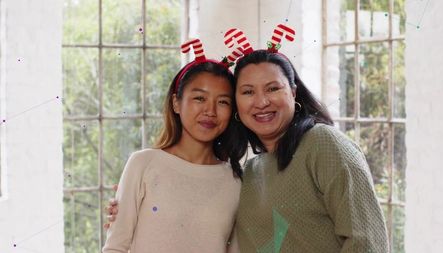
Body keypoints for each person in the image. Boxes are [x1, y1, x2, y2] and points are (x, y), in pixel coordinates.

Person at [107, 25, 389, 252]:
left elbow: (367, 242)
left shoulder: (323, 145)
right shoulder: (250, 172)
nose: (261, 102)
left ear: (293, 93)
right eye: (247, 92)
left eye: (272, 88)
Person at [102, 38, 243, 253]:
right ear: (176, 103)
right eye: (199, 98)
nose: (210, 111)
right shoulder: (143, 164)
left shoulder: (235, 181)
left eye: (223, 102)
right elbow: (115, 248)